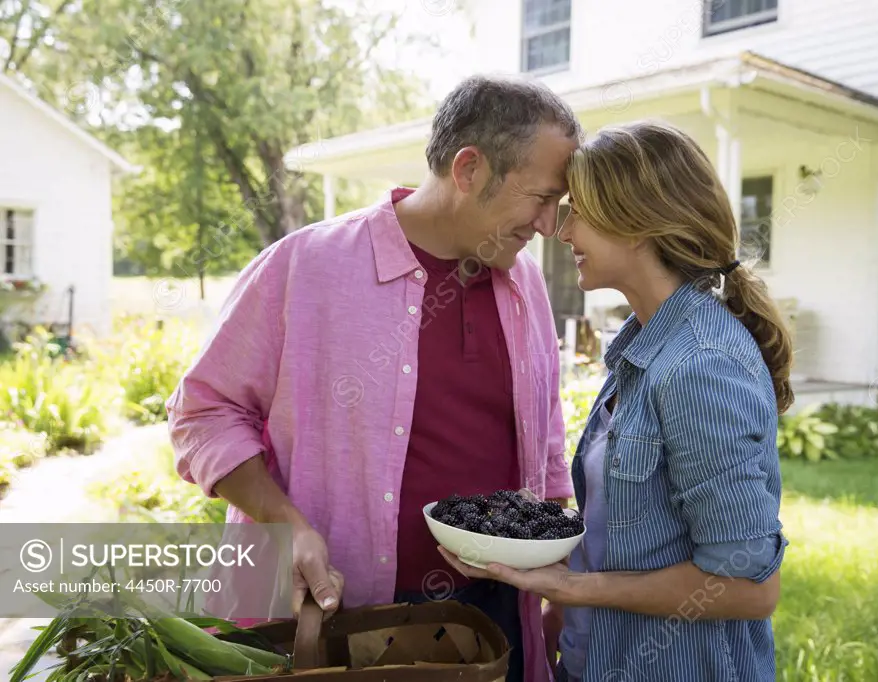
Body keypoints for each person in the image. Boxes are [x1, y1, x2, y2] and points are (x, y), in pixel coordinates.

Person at [165, 74, 582, 682]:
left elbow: (543, 447)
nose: (549, 225)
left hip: (496, 613)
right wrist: (288, 527)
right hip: (334, 616)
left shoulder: (526, 284)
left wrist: (554, 586)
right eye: (541, 198)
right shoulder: (305, 267)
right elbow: (203, 412)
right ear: (469, 170)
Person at [438, 120, 793, 682]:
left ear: (637, 223)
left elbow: (748, 589)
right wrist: (563, 608)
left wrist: (573, 587)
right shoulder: (644, 346)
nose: (559, 229)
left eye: (577, 209)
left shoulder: (700, 367)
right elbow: (634, 525)